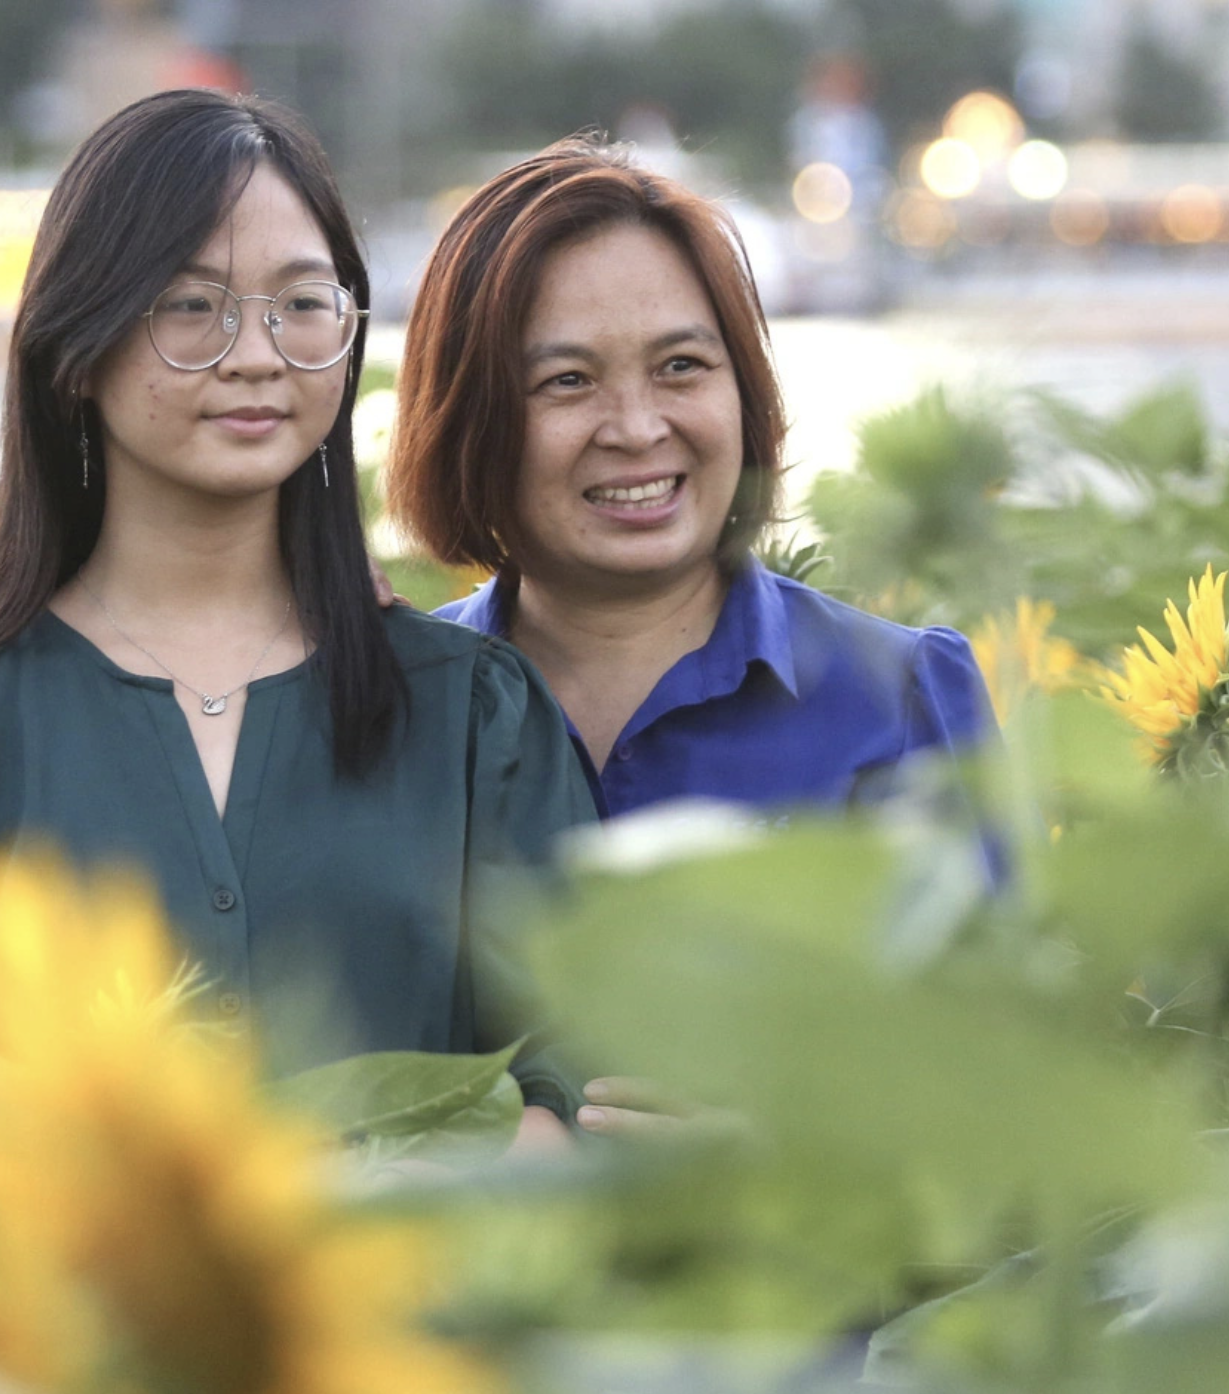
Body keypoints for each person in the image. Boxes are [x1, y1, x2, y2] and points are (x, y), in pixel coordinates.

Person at [0, 90, 596, 1142]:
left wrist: (537, 1133)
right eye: (191, 307)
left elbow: (581, 1060)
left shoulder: (472, 716)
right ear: (77, 340)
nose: (256, 355)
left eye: (301, 304)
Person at [386, 142, 992, 1128]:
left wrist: (788, 1160)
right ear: (470, 420)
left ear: (742, 394)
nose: (637, 427)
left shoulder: (901, 695)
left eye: (681, 368)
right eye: (567, 382)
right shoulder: (386, 712)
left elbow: (1008, 1112)